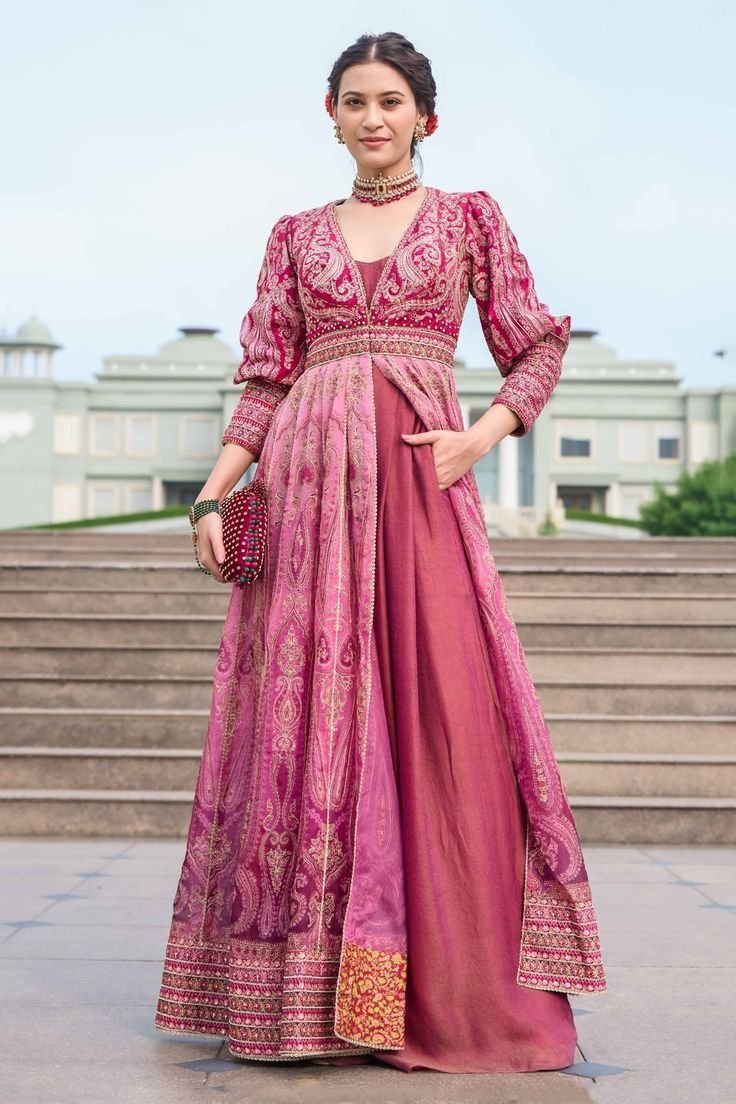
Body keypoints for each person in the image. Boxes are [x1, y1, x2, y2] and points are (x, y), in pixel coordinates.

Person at [153, 31, 606, 1075]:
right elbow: (267, 377)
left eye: (390, 101)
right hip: (306, 502)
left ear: (424, 116)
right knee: (303, 728)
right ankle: (304, 1001)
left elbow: (536, 343)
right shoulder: (293, 236)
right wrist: (214, 494)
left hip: (418, 491)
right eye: (354, 100)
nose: (372, 117)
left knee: (445, 716)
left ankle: (453, 991)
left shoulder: (468, 219)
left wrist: (478, 438)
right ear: (331, 115)